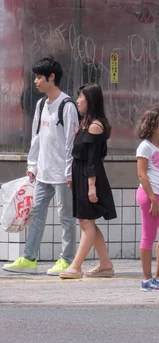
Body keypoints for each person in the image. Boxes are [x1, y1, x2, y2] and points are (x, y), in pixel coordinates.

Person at [3, 56, 78, 276]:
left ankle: (67, 260)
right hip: (43, 172)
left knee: (66, 217)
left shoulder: (67, 105)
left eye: (39, 77)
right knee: (35, 213)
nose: (35, 81)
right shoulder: (40, 104)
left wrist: (69, 172)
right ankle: (29, 258)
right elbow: (36, 136)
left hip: (63, 174)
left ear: (51, 77)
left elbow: (71, 143)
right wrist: (32, 165)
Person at [59, 84, 116, 279]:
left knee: (85, 221)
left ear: (90, 100)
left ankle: (76, 266)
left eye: (81, 97)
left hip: (90, 176)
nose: (77, 101)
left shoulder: (96, 125)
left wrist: (91, 186)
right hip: (81, 174)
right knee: (87, 221)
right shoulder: (87, 122)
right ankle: (106, 264)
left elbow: (93, 159)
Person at [135, 108, 159, 291]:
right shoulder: (145, 146)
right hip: (150, 195)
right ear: (151, 124)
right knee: (148, 237)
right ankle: (147, 279)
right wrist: (153, 199)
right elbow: (142, 175)